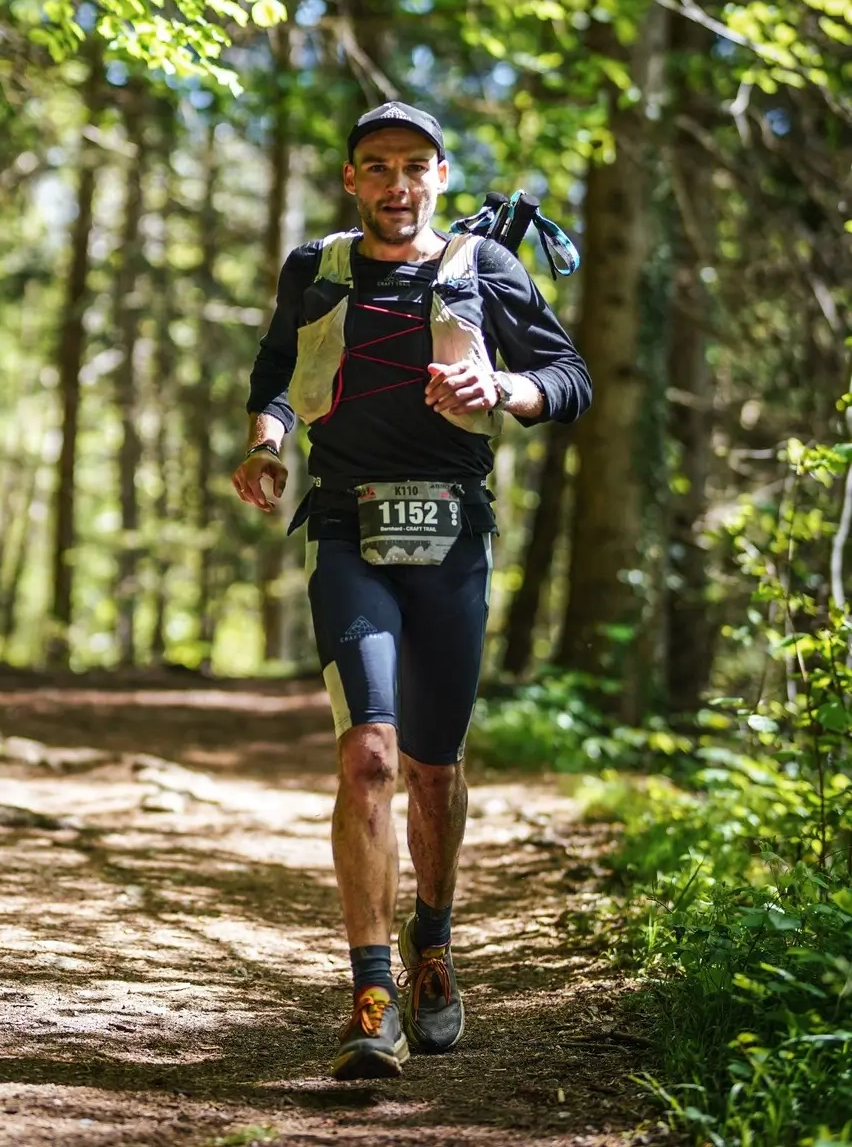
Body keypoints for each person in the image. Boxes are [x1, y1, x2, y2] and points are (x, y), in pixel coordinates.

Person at [231, 102, 592, 1081]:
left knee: (435, 767)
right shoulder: (316, 270)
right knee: (370, 756)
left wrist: (504, 391)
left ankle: (435, 945)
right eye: (377, 166)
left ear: (440, 176)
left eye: (415, 166)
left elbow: (569, 377)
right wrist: (267, 443)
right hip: (348, 530)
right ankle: (371, 992)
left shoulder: (485, 270)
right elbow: (275, 373)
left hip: (454, 541)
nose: (397, 184)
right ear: (352, 179)